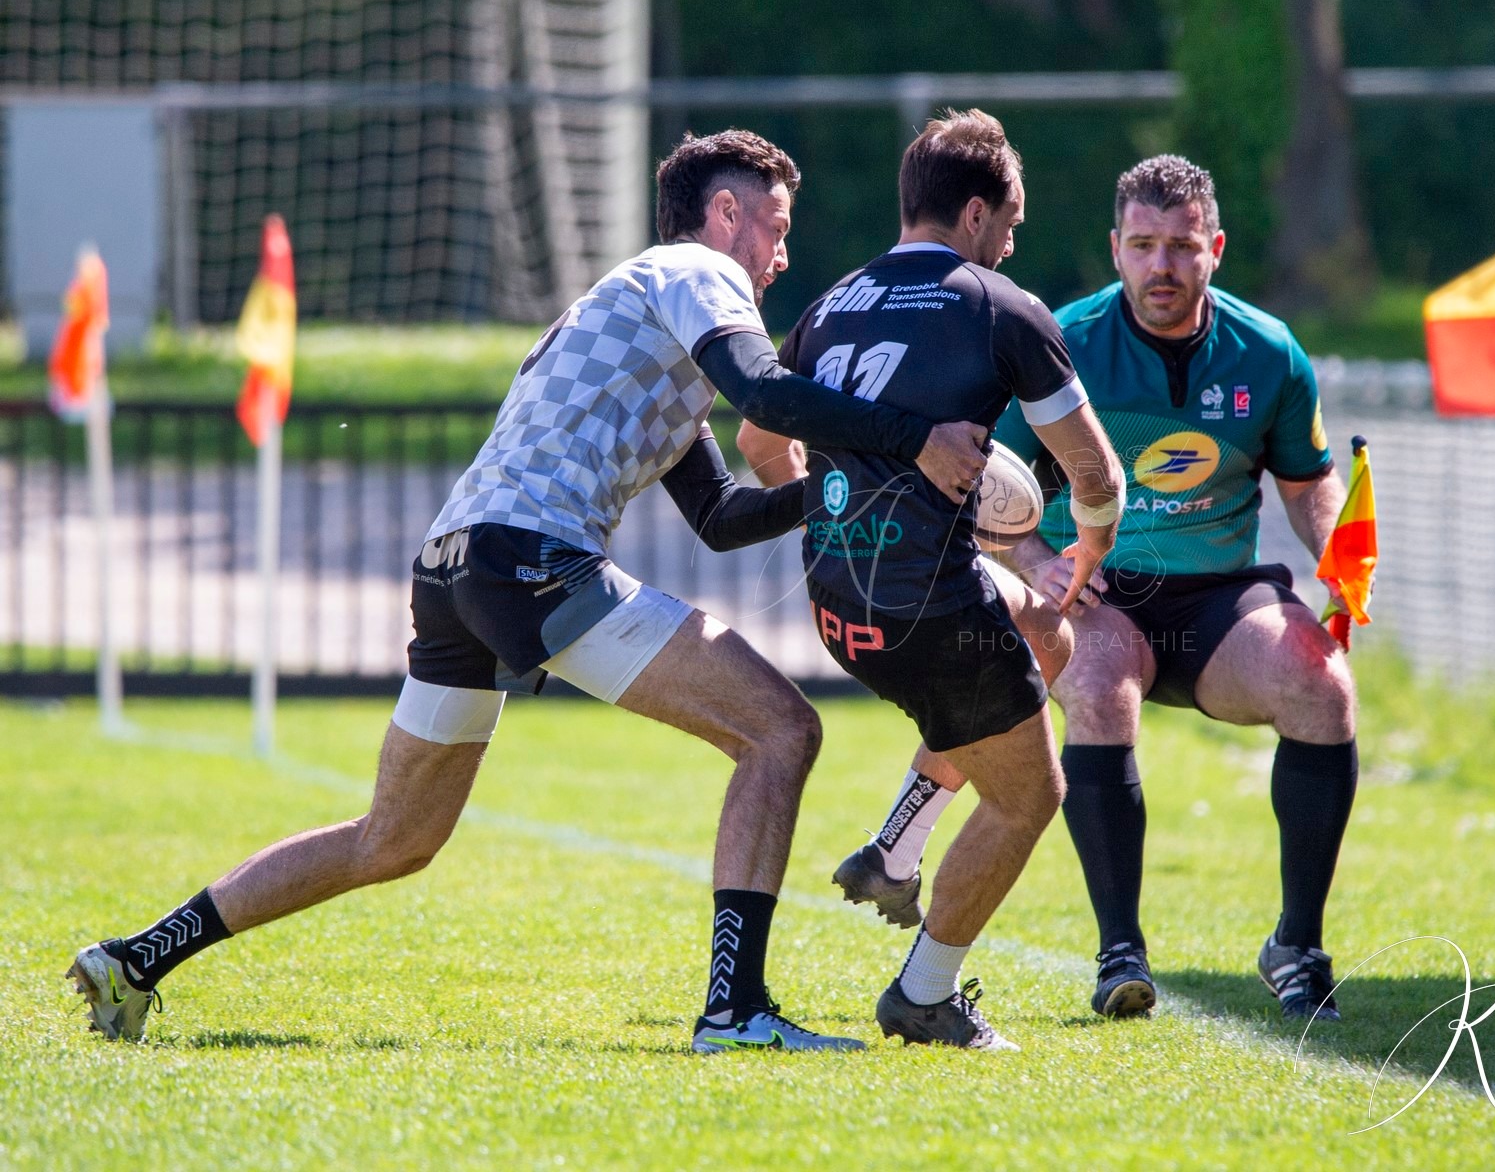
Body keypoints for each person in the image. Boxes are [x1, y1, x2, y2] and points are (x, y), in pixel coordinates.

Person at [66, 129, 995, 1053]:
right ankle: (735, 1012)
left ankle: (135, 960)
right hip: (531, 557)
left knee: (393, 839)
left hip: (454, 563)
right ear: (724, 215)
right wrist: (909, 441)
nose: (782, 255)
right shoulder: (696, 272)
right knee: (781, 731)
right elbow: (765, 395)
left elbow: (718, 516)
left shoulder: (644, 316)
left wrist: (840, 487)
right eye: (776, 227)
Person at [833, 154, 1362, 1024]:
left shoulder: (1268, 350)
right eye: (1144, 246)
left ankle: (1296, 948)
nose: (1163, 266)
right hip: (1099, 592)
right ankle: (1121, 954)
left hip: (1223, 598)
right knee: (1101, 685)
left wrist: (1340, 551)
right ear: (1116, 249)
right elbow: (982, 479)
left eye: (1182, 246)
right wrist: (1037, 557)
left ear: (1216, 249)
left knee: (1324, 687)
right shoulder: (1062, 339)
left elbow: (1308, 483)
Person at [740, 109, 1124, 1050]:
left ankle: (896, 850)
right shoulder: (999, 306)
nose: (1011, 243)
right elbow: (1096, 475)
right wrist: (1090, 548)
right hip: (934, 614)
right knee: (1030, 796)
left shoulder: (832, 304)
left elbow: (756, 438)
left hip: (838, 602)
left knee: (1046, 633)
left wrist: (834, 514)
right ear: (978, 214)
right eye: (1011, 224)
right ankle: (924, 995)